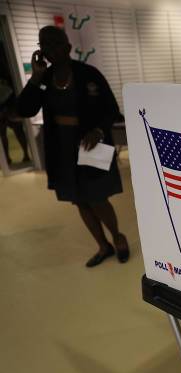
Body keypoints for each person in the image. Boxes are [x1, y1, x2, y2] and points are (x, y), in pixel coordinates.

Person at [17, 26, 129, 267]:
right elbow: (25, 110)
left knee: (98, 198)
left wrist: (98, 130)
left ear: (67, 46)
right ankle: (103, 246)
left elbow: (111, 110)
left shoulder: (89, 74)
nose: (50, 49)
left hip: (92, 145)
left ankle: (118, 237)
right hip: (62, 149)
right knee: (79, 200)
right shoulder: (44, 80)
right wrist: (35, 78)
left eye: (55, 43)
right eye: (44, 45)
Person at [0, 79, 30, 164]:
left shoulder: (7, 89)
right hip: (9, 111)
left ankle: (8, 157)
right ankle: (25, 154)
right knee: (17, 133)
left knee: (5, 135)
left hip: (9, 111)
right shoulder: (7, 89)